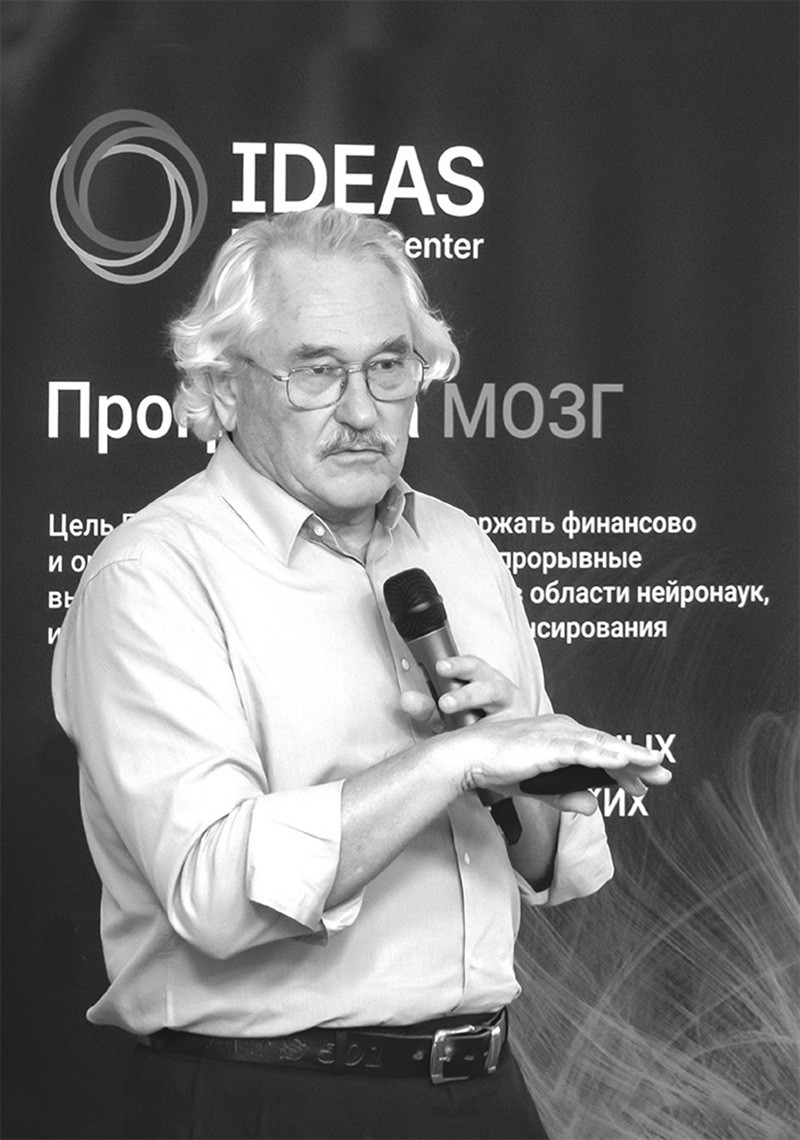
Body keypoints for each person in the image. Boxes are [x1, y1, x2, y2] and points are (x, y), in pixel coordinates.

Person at [52, 205, 671, 1139]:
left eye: (388, 366)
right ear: (223, 389)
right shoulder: (151, 575)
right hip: (266, 1101)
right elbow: (213, 893)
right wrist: (448, 763)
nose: (360, 411)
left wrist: (523, 776)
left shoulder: (460, 546)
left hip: (486, 1095)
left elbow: (545, 866)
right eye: (315, 371)